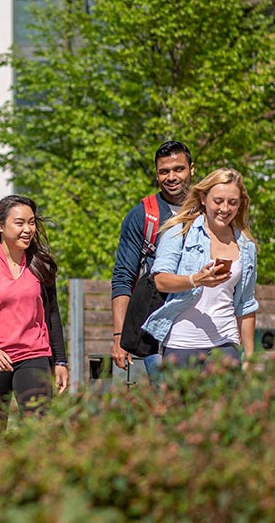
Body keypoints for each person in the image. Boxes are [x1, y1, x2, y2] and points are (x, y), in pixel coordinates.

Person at [141, 168, 258, 372]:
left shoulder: (246, 246)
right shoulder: (179, 232)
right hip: (181, 344)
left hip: (224, 341)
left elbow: (246, 305)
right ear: (203, 198)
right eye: (218, 201)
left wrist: (248, 356)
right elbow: (160, 280)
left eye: (232, 202)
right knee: (183, 404)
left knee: (221, 402)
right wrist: (196, 280)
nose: (225, 208)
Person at [0, 195, 68, 419]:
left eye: (31, 222)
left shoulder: (41, 265)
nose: (28, 229)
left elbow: (52, 315)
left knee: (38, 425)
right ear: (1, 226)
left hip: (33, 354)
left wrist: (60, 361)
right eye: (19, 223)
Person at [111, 140, 194, 379]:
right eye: (164, 171)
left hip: (200, 327)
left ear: (192, 169)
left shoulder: (209, 209)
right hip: (155, 328)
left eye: (179, 169)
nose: (171, 177)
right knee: (169, 401)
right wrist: (119, 336)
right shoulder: (142, 215)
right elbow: (123, 277)